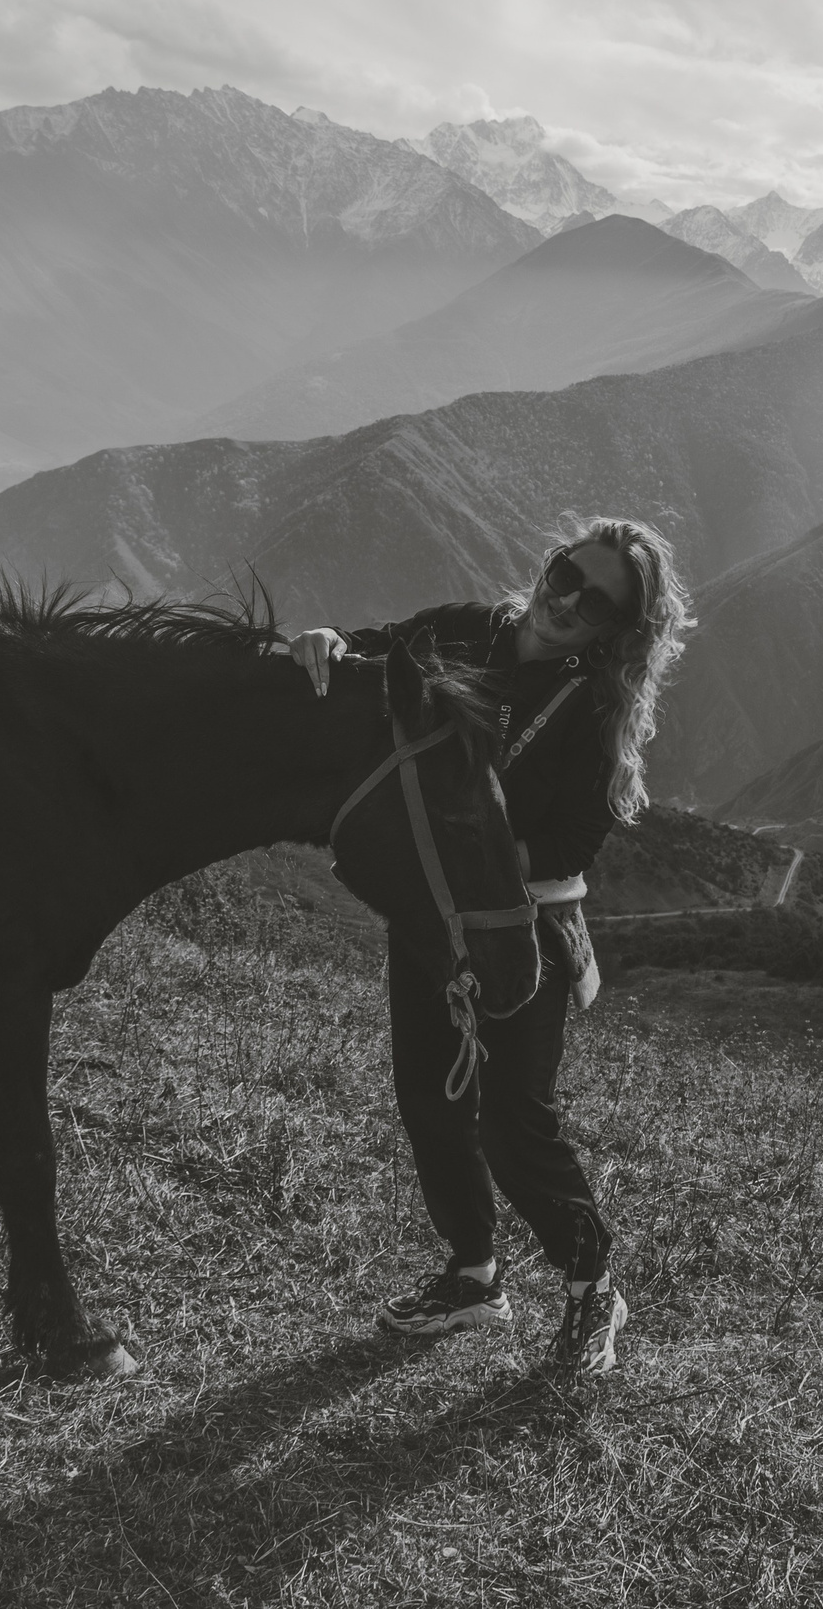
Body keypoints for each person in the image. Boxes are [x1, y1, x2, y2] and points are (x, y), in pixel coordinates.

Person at [290, 517, 692, 1375]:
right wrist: (325, 642)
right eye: (563, 573)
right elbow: (376, 655)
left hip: (525, 935)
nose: (565, 600)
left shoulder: (592, 707)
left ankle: (593, 1285)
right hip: (433, 916)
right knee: (429, 1099)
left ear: (618, 631)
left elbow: (575, 842)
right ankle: (474, 1276)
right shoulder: (468, 632)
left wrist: (472, 846)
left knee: (515, 1123)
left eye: (593, 601)